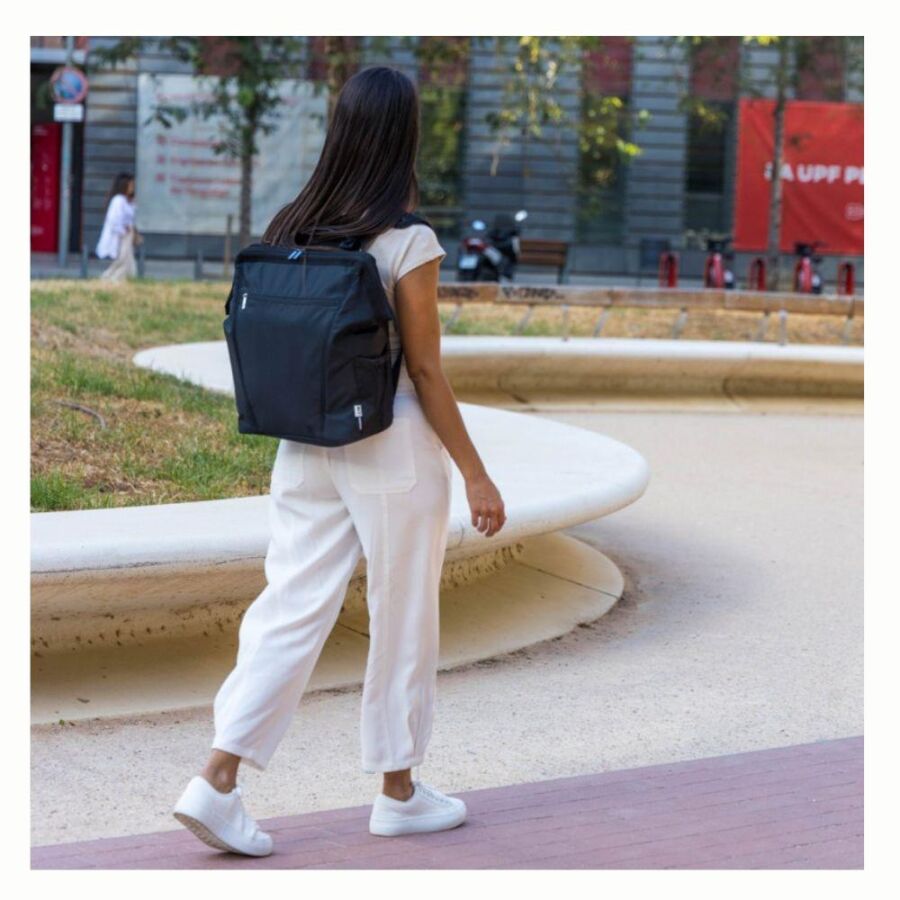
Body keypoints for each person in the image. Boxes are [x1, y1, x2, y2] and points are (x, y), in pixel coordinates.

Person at [172, 66, 507, 857]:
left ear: (342, 130)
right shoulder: (407, 241)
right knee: (403, 612)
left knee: (289, 608)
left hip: (303, 440)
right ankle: (398, 792)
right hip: (389, 443)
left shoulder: (293, 223)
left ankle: (216, 780)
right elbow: (425, 371)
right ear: (404, 138)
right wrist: (476, 472)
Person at [95, 172, 139, 282]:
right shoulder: (118, 200)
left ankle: (126, 278)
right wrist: (122, 230)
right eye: (131, 185)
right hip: (121, 234)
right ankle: (110, 278)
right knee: (122, 259)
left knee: (127, 259)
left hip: (127, 233)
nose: (132, 188)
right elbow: (114, 219)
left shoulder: (128, 201)